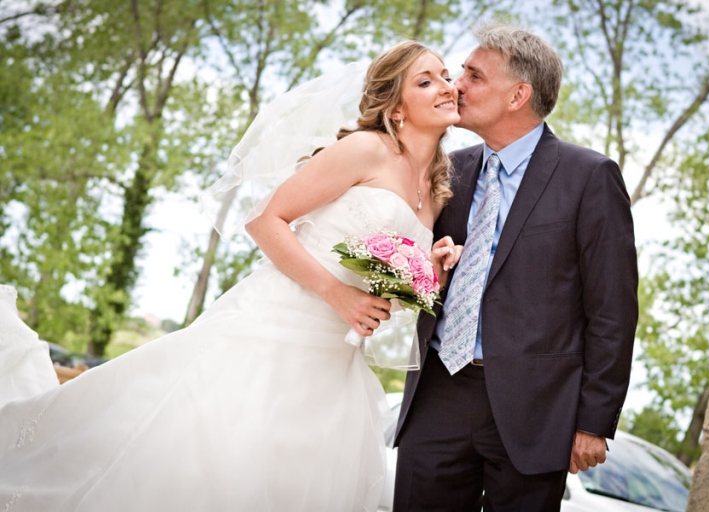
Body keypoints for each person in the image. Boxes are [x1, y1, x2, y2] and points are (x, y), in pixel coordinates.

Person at [0, 41, 460, 512]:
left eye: (446, 75)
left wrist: (433, 276)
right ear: (395, 106)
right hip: (273, 330)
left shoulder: (437, 190)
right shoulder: (366, 149)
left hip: (336, 363)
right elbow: (265, 221)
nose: (446, 86)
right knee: (207, 459)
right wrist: (337, 294)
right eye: (425, 81)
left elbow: (391, 291)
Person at [393, 22, 639, 512]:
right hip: (437, 392)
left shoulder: (589, 177)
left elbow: (612, 310)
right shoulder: (448, 169)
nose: (456, 85)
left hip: (536, 411)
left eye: (474, 75)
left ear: (518, 95)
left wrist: (593, 421)